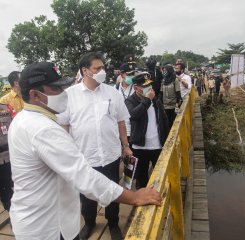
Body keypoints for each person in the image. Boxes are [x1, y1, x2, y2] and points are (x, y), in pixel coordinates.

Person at [8, 62, 161, 240]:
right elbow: (85, 178)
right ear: (35, 95)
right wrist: (134, 197)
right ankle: (90, 222)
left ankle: (112, 222)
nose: (63, 93)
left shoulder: (23, 119)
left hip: (46, 217)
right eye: (56, 89)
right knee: (88, 200)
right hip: (48, 226)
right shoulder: (43, 129)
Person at [57, 52, 132, 240]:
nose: (102, 71)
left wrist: (126, 145)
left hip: (110, 155)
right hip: (84, 157)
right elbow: (64, 126)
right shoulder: (69, 96)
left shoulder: (112, 93)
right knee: (86, 194)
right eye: (97, 68)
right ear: (85, 71)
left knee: (113, 189)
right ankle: (90, 222)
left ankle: (113, 223)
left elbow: (121, 121)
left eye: (103, 67)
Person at [125, 73, 170, 189]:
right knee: (141, 177)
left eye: (150, 85)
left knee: (162, 175)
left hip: (157, 144)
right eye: (145, 86)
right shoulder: (130, 101)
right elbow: (133, 115)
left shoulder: (156, 100)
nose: (149, 88)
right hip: (140, 146)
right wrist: (147, 100)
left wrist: (167, 139)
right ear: (136, 88)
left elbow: (164, 119)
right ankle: (142, 202)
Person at [0, 103, 15, 215]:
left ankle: (13, 214)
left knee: (12, 187)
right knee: (4, 192)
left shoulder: (5, 107)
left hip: (11, 156)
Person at [115, 63, 136, 143]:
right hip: (121, 130)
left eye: (133, 74)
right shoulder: (115, 90)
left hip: (135, 129)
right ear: (121, 74)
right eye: (128, 74)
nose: (131, 76)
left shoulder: (137, 88)